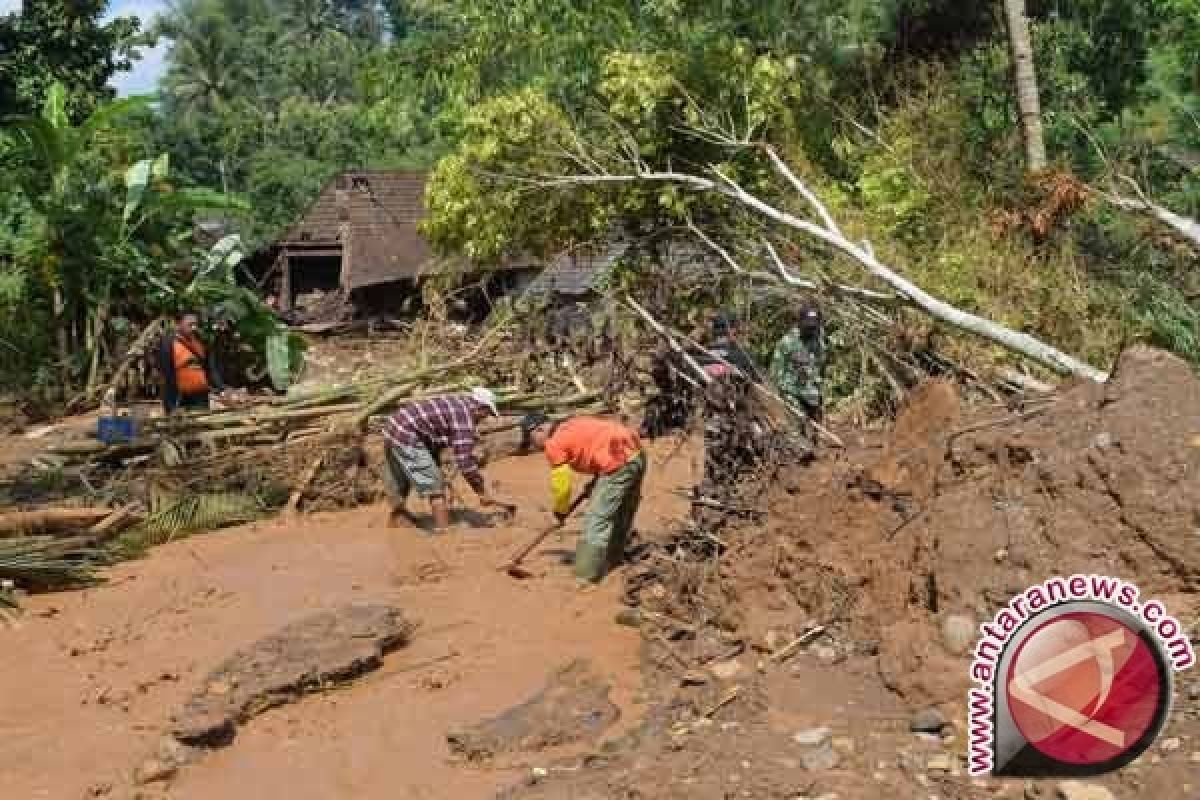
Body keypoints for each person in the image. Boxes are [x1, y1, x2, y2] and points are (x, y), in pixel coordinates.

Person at [521, 413, 646, 584]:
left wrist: (560, 510)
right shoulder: (571, 424)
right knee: (622, 511)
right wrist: (597, 480)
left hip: (617, 461)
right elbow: (597, 441)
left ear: (539, 430)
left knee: (596, 518)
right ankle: (614, 560)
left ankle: (583, 576)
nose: (534, 446)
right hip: (636, 452)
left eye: (531, 439)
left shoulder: (553, 443)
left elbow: (562, 486)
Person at [382, 387, 509, 532]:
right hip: (407, 434)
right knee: (436, 488)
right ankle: (445, 532)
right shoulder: (465, 419)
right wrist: (481, 492)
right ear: (480, 408)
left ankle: (398, 518)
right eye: (487, 414)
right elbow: (465, 463)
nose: (485, 418)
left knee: (400, 479)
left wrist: (438, 469)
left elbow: (434, 432)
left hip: (393, 427)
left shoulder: (459, 403)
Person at [770, 302, 826, 423]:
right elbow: (775, 374)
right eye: (808, 326)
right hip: (792, 392)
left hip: (813, 394)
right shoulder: (787, 342)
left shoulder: (819, 341)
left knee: (815, 431)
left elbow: (820, 367)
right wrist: (786, 392)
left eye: (814, 326)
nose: (811, 330)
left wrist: (817, 386)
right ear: (799, 322)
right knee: (796, 427)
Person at [159, 310, 224, 413]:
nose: (194, 328)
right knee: (180, 426)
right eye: (190, 324)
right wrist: (170, 403)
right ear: (178, 324)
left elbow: (210, 368)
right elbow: (166, 372)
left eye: (195, 324)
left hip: (200, 394)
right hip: (179, 396)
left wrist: (221, 388)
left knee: (201, 423)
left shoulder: (201, 341)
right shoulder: (168, 343)